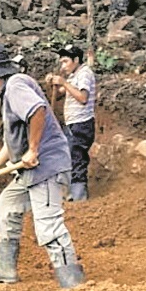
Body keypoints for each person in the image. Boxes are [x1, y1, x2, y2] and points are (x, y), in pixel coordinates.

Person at [0, 43, 85, 289]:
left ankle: (72, 282)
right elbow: (12, 143)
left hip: (47, 165)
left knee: (48, 224)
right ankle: (6, 269)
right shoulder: (10, 91)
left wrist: (32, 149)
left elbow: (37, 110)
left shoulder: (16, 85)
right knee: (7, 205)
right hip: (31, 169)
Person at [44, 43, 96, 202]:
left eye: (65, 61)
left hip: (81, 124)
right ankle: (71, 195)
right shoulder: (74, 75)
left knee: (77, 159)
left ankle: (79, 198)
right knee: (70, 158)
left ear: (76, 60)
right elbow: (60, 94)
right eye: (61, 62)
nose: (63, 65)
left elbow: (83, 98)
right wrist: (53, 83)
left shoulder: (84, 74)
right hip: (72, 124)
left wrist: (64, 83)